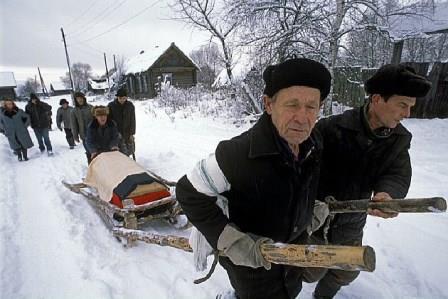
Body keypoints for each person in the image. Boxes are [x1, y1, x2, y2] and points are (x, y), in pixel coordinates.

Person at [176, 58, 332, 299]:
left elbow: (302, 185)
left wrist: (307, 213)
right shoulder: (237, 154)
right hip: (251, 268)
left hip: (292, 257)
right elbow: (188, 192)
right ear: (269, 104)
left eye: (311, 106)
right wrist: (233, 242)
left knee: (290, 292)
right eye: (292, 104)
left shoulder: (313, 145)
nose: (302, 117)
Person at [309, 64, 432, 299]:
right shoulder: (332, 127)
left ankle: (321, 297)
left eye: (410, 107)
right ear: (377, 99)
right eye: (402, 105)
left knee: (346, 271)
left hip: (351, 222)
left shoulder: (399, 139)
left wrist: (388, 194)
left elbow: (397, 173)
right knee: (310, 268)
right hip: (314, 216)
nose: (407, 114)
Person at [107, 88, 136, 158]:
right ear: (117, 97)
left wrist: (132, 133)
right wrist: (114, 132)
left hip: (127, 131)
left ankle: (128, 162)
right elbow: (109, 120)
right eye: (120, 98)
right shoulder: (111, 106)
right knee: (119, 150)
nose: (122, 100)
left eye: (124, 98)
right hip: (116, 132)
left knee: (129, 149)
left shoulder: (130, 105)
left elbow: (133, 120)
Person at [70, 91, 93, 164]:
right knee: (89, 151)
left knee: (96, 151)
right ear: (75, 100)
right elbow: (74, 125)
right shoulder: (74, 111)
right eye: (78, 99)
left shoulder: (91, 107)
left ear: (84, 98)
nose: (80, 100)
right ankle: (91, 166)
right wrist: (75, 136)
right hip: (84, 135)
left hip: (93, 133)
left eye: (81, 98)